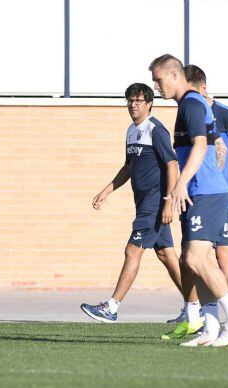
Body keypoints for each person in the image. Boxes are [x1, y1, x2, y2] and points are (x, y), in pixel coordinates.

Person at [149, 54, 228, 346]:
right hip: (196, 194)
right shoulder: (187, 106)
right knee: (190, 261)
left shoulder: (192, 104)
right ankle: (209, 327)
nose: (157, 86)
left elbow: (199, 146)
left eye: (158, 79)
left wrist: (180, 184)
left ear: (174, 75)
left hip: (206, 192)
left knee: (196, 258)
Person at [80, 83, 184, 322]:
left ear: (149, 104)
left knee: (132, 250)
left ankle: (112, 307)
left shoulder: (155, 130)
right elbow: (128, 166)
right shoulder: (131, 130)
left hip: (155, 203)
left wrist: (168, 202)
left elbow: (172, 165)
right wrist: (107, 190)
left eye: (138, 101)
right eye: (130, 100)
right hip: (144, 203)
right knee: (166, 255)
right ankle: (195, 307)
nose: (133, 105)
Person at [177, 64, 228, 345]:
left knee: (223, 260)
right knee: (196, 260)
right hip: (200, 196)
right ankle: (211, 325)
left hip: (225, 198)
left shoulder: (227, 115)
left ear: (203, 88)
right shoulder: (191, 111)